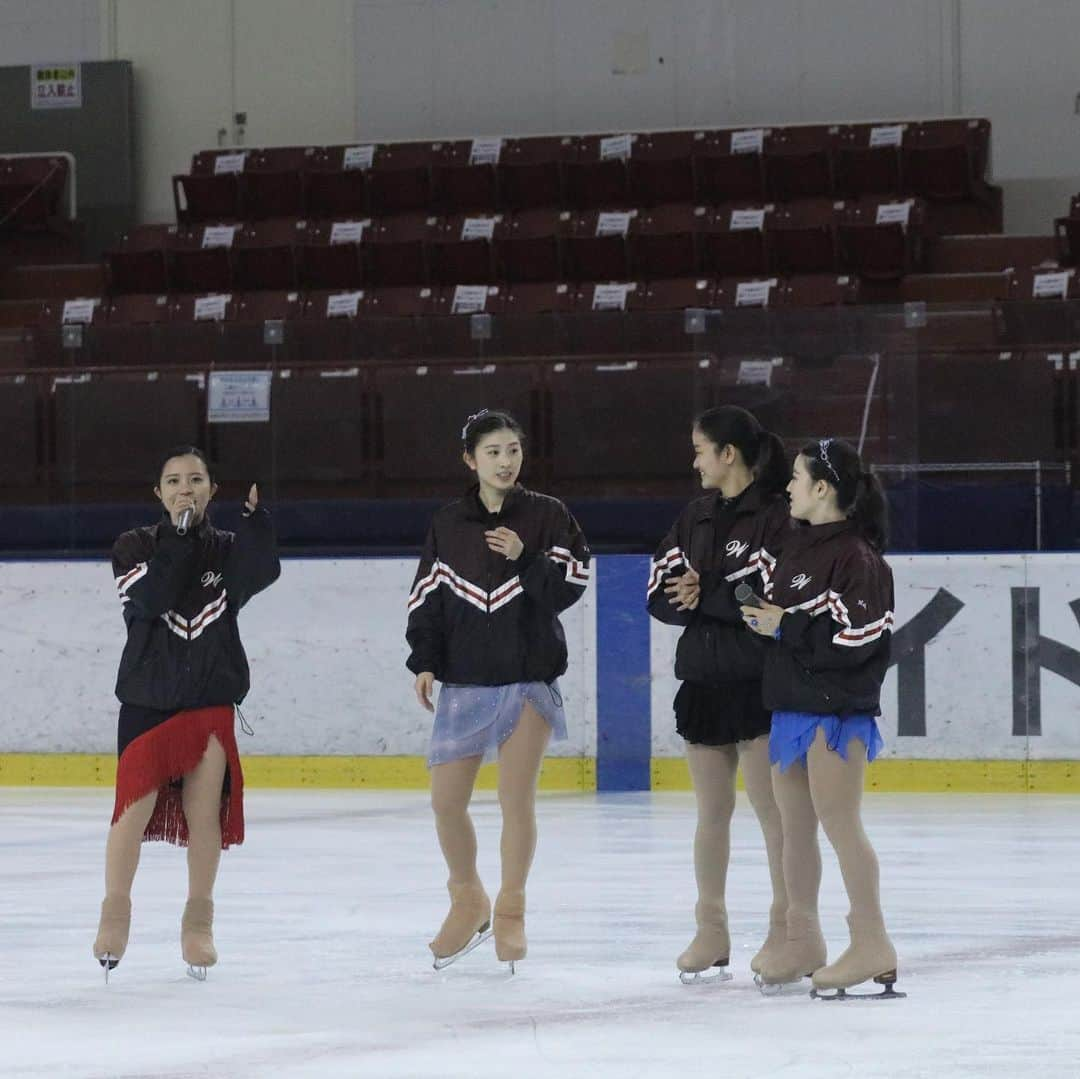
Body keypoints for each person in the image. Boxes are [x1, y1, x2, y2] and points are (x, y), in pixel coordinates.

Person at [406, 409, 590, 972]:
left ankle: (511, 909)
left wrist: (524, 557)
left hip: (527, 678)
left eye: (513, 450)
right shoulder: (447, 522)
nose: (506, 461)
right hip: (463, 680)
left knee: (516, 800)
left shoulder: (549, 516)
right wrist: (426, 661)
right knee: (446, 801)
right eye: (493, 452)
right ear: (471, 459)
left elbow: (569, 587)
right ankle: (468, 899)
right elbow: (427, 597)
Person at [93, 446, 280, 980]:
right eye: (173, 480)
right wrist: (176, 539)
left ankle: (198, 922)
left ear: (211, 489)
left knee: (204, 816)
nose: (184, 488)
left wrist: (258, 528)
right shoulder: (133, 547)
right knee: (131, 809)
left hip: (209, 699)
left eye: (195, 479)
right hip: (148, 700)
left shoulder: (227, 549)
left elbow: (261, 573)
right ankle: (115, 913)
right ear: (158, 492)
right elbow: (152, 600)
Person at [742, 437, 901, 999]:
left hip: (836, 713)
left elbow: (859, 640)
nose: (786, 486)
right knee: (793, 831)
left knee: (840, 824)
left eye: (795, 478)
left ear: (822, 488)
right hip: (790, 708)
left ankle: (873, 941)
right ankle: (802, 938)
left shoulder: (857, 558)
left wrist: (785, 626)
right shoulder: (796, 547)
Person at [647, 406, 792, 984]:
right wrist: (698, 594)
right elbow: (658, 589)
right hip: (703, 682)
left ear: (727, 454)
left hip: (761, 684)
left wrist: (705, 591)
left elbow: (767, 601)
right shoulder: (696, 516)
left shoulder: (778, 517)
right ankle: (711, 929)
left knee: (773, 813)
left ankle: (788, 928)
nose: (694, 460)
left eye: (700, 449)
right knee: (712, 814)